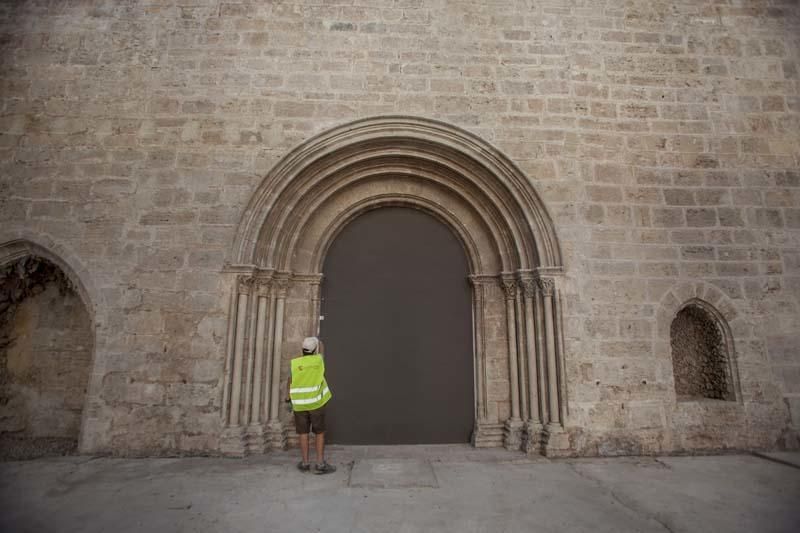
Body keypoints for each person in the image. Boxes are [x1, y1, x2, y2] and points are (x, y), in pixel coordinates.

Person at [286, 336, 336, 474]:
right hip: (316, 404)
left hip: (300, 405)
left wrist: (288, 398)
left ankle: (305, 463)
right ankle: (320, 464)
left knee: (303, 433)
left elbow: (290, 381)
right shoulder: (318, 360)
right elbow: (322, 349)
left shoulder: (295, 364)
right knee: (319, 433)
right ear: (315, 350)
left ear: (302, 349)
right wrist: (318, 340)